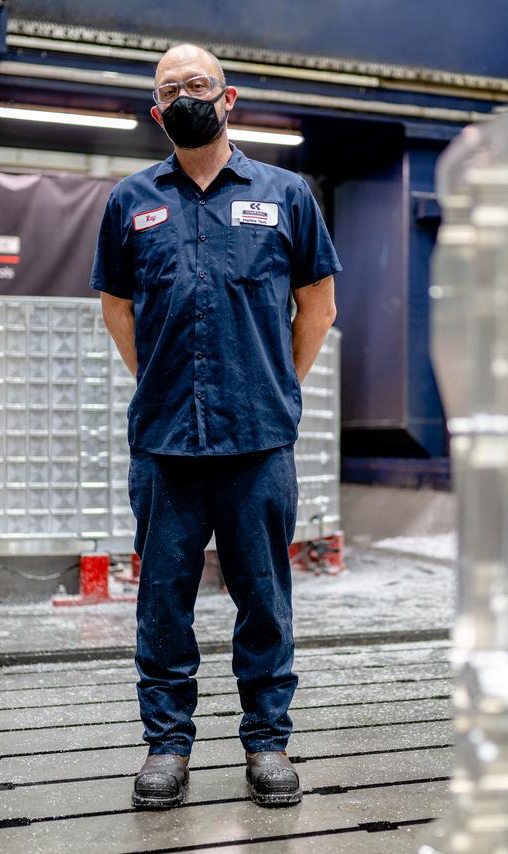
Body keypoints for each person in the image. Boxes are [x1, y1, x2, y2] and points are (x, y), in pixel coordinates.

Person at [89, 43, 340, 810]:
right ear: (156, 111)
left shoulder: (286, 193)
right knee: (163, 601)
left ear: (228, 100)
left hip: (258, 438)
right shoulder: (130, 202)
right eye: (172, 88)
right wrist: (166, 380)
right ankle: (167, 744)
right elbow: (117, 307)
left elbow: (318, 306)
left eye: (200, 83)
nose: (187, 95)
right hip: (165, 441)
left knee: (263, 597)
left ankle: (267, 740)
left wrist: (271, 386)